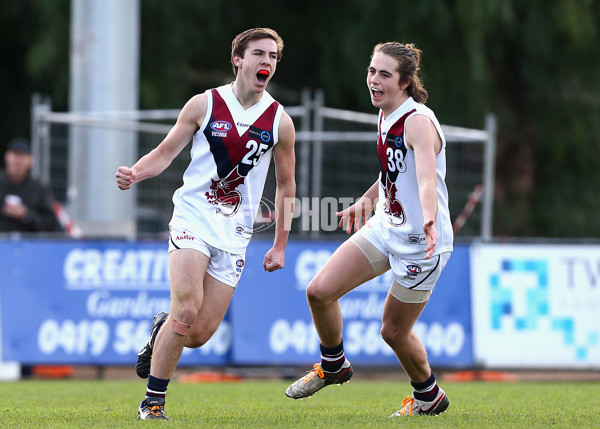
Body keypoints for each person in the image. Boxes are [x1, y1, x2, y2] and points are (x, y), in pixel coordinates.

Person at [115, 27, 295, 420]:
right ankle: (153, 404)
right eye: (259, 54)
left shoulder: (280, 121)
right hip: (193, 219)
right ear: (238, 59)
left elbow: (285, 186)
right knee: (185, 310)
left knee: (196, 334)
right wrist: (136, 172)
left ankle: (160, 328)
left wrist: (280, 243)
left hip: (235, 234)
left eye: (273, 57)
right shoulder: (205, 104)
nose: (266, 62)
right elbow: (164, 154)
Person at [285, 42, 453, 417]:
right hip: (385, 226)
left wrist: (428, 217)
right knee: (319, 292)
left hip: (420, 244)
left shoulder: (417, 122)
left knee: (393, 332)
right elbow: (395, 172)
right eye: (372, 71)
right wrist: (367, 198)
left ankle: (428, 396)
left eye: (384, 75)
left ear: (406, 82)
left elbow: (426, 177)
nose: (374, 80)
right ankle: (334, 365)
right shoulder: (386, 114)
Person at [0, 138, 59, 234]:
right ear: (6, 156)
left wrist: (26, 215)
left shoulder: (39, 188)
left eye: (22, 155)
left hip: (30, 244)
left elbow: (51, 223)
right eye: (15, 154)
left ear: (31, 161)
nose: (18, 160)